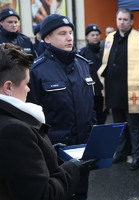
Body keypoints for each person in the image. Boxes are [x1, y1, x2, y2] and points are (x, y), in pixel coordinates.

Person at [0, 43, 96, 200]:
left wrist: (47, 151)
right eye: (25, 84)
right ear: (8, 87)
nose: (28, 89)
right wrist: (73, 169)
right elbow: (42, 194)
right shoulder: (14, 131)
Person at [27, 14, 95, 200]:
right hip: (55, 154)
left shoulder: (82, 64)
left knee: (81, 193)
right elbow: (31, 118)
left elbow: (91, 106)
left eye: (71, 33)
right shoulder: (36, 71)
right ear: (47, 38)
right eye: (62, 33)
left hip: (83, 148)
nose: (69, 38)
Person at [97, 8, 139, 170]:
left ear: (131, 21)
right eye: (119, 19)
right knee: (118, 124)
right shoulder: (110, 38)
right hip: (113, 89)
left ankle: (136, 156)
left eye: (125, 19)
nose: (122, 22)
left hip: (130, 90)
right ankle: (121, 152)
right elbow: (105, 62)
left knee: (133, 125)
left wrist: (135, 79)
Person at [79, 24, 107, 124]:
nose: (95, 37)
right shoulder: (82, 53)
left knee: (102, 117)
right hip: (89, 91)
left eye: (97, 34)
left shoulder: (104, 52)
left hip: (102, 91)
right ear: (87, 37)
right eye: (92, 35)